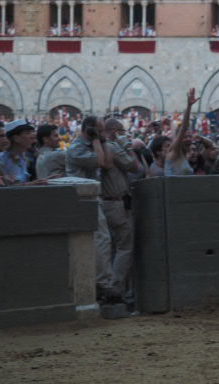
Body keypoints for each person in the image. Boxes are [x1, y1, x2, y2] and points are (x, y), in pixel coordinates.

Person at [66, 115, 116, 302]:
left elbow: (108, 163)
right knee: (101, 239)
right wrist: (97, 139)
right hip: (81, 199)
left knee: (101, 240)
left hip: (93, 197)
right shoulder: (76, 149)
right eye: (100, 130)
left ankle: (101, 282)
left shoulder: (94, 144)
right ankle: (103, 283)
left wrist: (101, 140)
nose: (104, 134)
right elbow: (101, 162)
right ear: (89, 130)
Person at [101, 118, 140, 301]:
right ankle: (114, 289)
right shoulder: (112, 146)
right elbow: (134, 167)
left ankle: (110, 286)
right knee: (124, 246)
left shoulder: (100, 146)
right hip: (116, 202)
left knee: (113, 248)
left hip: (106, 202)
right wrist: (128, 147)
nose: (124, 135)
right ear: (115, 131)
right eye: (122, 131)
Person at [0, 119, 45, 185]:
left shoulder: (23, 158)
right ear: (16, 138)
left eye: (32, 132)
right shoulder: (2, 160)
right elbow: (2, 188)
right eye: (27, 133)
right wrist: (30, 184)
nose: (33, 136)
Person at [165, 88, 198, 176]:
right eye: (185, 137)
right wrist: (189, 106)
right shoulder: (174, 152)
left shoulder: (184, 155)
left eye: (190, 136)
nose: (188, 139)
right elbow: (184, 127)